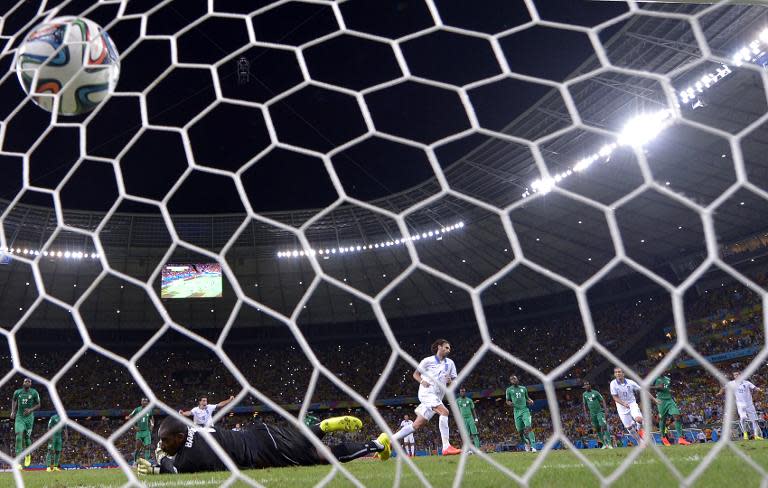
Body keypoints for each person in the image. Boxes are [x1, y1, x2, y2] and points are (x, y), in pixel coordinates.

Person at [137, 415, 389, 474]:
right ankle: (321, 427)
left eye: (165, 440)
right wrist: (162, 462)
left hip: (264, 452)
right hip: (259, 431)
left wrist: (159, 461)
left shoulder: (188, 456)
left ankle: (377, 444)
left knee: (322, 456)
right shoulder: (192, 430)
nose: (162, 444)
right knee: (303, 442)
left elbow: (175, 467)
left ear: (180, 438)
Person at [389, 339, 462, 456]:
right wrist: (422, 381)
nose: (449, 350)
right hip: (426, 393)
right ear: (439, 347)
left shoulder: (450, 364)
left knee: (416, 425)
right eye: (446, 347)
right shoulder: (427, 361)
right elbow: (415, 374)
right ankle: (446, 447)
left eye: (449, 348)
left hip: (437, 397)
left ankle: (389, 440)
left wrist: (451, 381)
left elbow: (455, 381)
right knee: (444, 412)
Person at [717, 370, 763, 440]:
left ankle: (756, 435)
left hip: (749, 404)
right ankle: (745, 434)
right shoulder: (731, 383)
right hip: (740, 404)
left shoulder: (747, 383)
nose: (736, 376)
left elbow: (755, 388)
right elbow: (723, 388)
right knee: (743, 418)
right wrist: (720, 393)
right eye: (735, 375)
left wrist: (759, 390)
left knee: (754, 420)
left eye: (737, 374)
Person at [609, 367, 648, 445]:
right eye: (616, 372)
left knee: (639, 419)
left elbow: (642, 390)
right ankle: (640, 441)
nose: (618, 373)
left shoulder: (631, 382)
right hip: (621, 407)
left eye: (619, 372)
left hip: (632, 403)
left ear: (623, 373)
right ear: (614, 374)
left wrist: (652, 399)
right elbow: (614, 397)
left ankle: (639, 427)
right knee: (629, 427)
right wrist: (623, 403)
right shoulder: (613, 384)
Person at [651, 374, 690, 445]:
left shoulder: (668, 378)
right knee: (663, 419)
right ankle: (663, 437)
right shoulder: (655, 378)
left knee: (677, 416)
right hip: (661, 401)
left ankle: (681, 438)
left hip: (669, 400)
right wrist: (657, 387)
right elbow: (648, 387)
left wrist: (670, 390)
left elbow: (666, 388)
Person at [11, 378, 40, 468]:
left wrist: (31, 410)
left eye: (29, 381)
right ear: (23, 383)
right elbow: (14, 400)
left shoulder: (34, 392)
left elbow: (39, 404)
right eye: (25, 381)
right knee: (19, 436)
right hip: (19, 417)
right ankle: (18, 462)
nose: (27, 382)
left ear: (31, 384)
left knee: (27, 437)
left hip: (29, 419)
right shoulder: (17, 392)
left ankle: (28, 455)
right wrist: (13, 411)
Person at [506, 375, 536, 452]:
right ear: (510, 381)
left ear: (517, 379)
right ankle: (526, 442)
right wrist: (510, 403)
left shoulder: (523, 388)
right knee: (520, 432)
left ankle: (533, 446)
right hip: (516, 412)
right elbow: (507, 400)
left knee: (528, 426)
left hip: (525, 410)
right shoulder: (509, 390)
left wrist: (530, 400)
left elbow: (527, 398)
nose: (513, 380)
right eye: (512, 379)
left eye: (514, 378)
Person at [581, 381, 612, 449]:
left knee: (603, 426)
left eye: (587, 385)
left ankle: (609, 444)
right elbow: (584, 404)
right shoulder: (584, 394)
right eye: (585, 386)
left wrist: (606, 411)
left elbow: (603, 400)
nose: (586, 386)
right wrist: (585, 414)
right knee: (597, 429)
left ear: (590, 385)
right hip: (592, 414)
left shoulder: (595, 392)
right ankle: (604, 444)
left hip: (599, 412)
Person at [126, 398, 154, 464]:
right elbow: (129, 417)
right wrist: (134, 426)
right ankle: (135, 462)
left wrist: (152, 425)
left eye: (146, 401)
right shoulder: (137, 409)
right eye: (143, 401)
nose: (144, 402)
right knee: (138, 448)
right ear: (141, 402)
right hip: (139, 432)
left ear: (147, 403)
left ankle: (147, 463)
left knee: (148, 447)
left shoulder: (149, 410)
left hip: (147, 431)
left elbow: (151, 418)